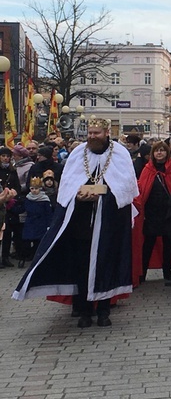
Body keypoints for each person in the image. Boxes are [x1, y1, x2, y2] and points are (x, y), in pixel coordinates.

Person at [13, 117, 139, 328]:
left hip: (108, 223)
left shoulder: (119, 154)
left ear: (106, 133)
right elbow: (68, 186)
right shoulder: (78, 154)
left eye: (96, 133)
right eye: (90, 132)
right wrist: (78, 196)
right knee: (81, 267)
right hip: (81, 223)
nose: (92, 136)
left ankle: (104, 311)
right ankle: (84, 311)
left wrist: (99, 192)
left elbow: (126, 187)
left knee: (105, 264)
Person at [133, 141, 171, 283]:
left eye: (162, 150)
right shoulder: (147, 169)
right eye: (156, 151)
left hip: (168, 212)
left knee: (168, 244)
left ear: (167, 153)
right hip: (151, 212)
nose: (159, 153)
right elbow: (142, 190)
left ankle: (167, 272)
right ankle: (143, 273)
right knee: (148, 244)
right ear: (152, 154)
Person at [21, 176, 53, 267]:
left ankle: (37, 259)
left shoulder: (44, 199)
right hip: (30, 222)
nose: (34, 190)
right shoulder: (28, 198)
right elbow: (24, 208)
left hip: (41, 223)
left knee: (38, 243)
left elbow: (48, 213)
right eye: (32, 188)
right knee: (26, 241)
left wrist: (49, 225)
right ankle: (24, 257)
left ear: (40, 189)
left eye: (36, 188)